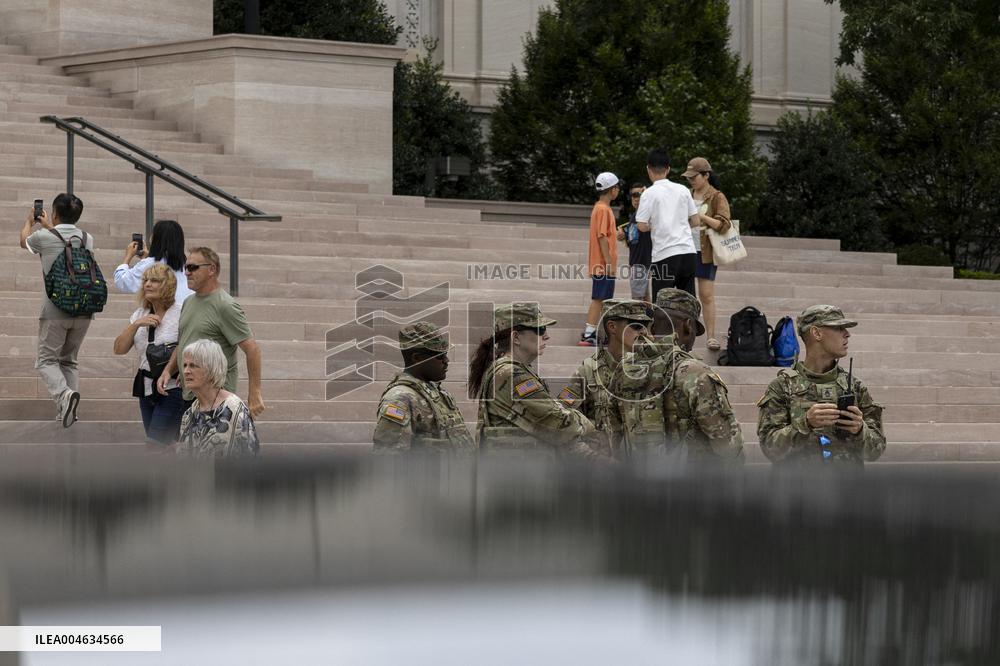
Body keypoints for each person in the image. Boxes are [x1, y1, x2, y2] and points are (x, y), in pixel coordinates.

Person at [611, 289, 744, 464]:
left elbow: (613, 434)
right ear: (688, 326)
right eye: (695, 331)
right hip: (690, 486)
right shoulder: (696, 373)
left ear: (652, 325)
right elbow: (728, 445)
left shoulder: (624, 369)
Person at [469, 302, 607, 460]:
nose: (546, 336)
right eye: (539, 330)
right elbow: (560, 423)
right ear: (516, 337)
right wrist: (588, 424)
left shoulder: (512, 369)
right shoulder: (512, 374)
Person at [757, 305, 886, 468]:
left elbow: (876, 451)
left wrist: (860, 430)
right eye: (839, 328)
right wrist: (805, 423)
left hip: (845, 488)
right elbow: (770, 449)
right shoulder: (782, 386)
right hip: (799, 488)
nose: (847, 334)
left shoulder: (854, 386)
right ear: (816, 333)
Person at [156, 247, 265, 419]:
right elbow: (185, 341)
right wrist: (169, 370)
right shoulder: (188, 302)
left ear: (212, 269)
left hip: (215, 398)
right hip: (191, 394)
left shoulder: (225, 305)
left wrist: (254, 392)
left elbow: (252, 349)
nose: (186, 273)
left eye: (193, 267)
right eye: (186, 267)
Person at [18, 193, 91, 427]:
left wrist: (31, 221)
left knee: (46, 361)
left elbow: (23, 241)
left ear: (55, 213)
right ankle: (68, 412)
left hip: (55, 309)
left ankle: (64, 396)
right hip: (84, 309)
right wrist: (52, 225)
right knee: (68, 361)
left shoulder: (42, 236)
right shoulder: (88, 238)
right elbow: (66, 241)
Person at [560, 299, 651, 459]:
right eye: (636, 326)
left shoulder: (652, 370)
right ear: (612, 327)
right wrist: (595, 459)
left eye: (646, 326)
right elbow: (564, 423)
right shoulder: (587, 371)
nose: (643, 332)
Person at [372, 322, 476, 453]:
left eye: (445, 354)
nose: (446, 360)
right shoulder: (400, 399)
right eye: (439, 356)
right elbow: (389, 457)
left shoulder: (437, 392)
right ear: (417, 358)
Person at [112, 263, 186, 446]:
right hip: (146, 389)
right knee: (161, 445)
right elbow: (119, 349)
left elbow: (186, 346)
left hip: (171, 388)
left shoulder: (181, 313)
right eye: (145, 280)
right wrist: (136, 324)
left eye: (154, 280)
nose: (147, 284)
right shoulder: (139, 313)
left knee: (155, 444)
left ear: (168, 285)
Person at [177, 339, 260, 457]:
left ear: (210, 369)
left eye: (193, 366)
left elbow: (251, 457)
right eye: (184, 365)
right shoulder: (189, 414)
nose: (186, 371)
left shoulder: (234, 409)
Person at [635, 147, 699, 299]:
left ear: (648, 169)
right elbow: (696, 220)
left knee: (662, 305)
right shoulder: (683, 189)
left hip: (665, 255)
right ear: (668, 169)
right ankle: (690, 323)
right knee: (687, 303)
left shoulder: (648, 193)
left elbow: (641, 226)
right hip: (688, 252)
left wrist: (657, 225)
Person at [683, 157, 731, 352]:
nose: (691, 180)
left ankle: (711, 336)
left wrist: (701, 217)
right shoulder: (686, 194)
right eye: (689, 177)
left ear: (706, 175)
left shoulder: (717, 196)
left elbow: (724, 224)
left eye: (694, 177)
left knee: (706, 294)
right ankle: (684, 335)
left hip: (705, 251)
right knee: (685, 295)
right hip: (684, 248)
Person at [579, 172, 620, 346]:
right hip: (603, 265)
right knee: (599, 298)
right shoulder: (603, 209)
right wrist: (609, 262)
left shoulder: (599, 208)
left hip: (601, 264)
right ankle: (589, 333)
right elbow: (602, 237)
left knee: (602, 299)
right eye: (617, 187)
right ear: (612, 190)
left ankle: (594, 332)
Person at [114, 219, 192, 302]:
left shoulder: (149, 264)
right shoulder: (188, 265)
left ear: (156, 239)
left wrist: (128, 256)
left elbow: (122, 281)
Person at [618, 183, 652, 302]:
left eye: (640, 194)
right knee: (645, 295)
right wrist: (624, 234)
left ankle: (639, 320)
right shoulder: (634, 216)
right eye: (633, 195)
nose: (636, 198)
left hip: (642, 261)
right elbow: (634, 237)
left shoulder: (649, 214)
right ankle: (649, 319)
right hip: (636, 260)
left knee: (637, 298)